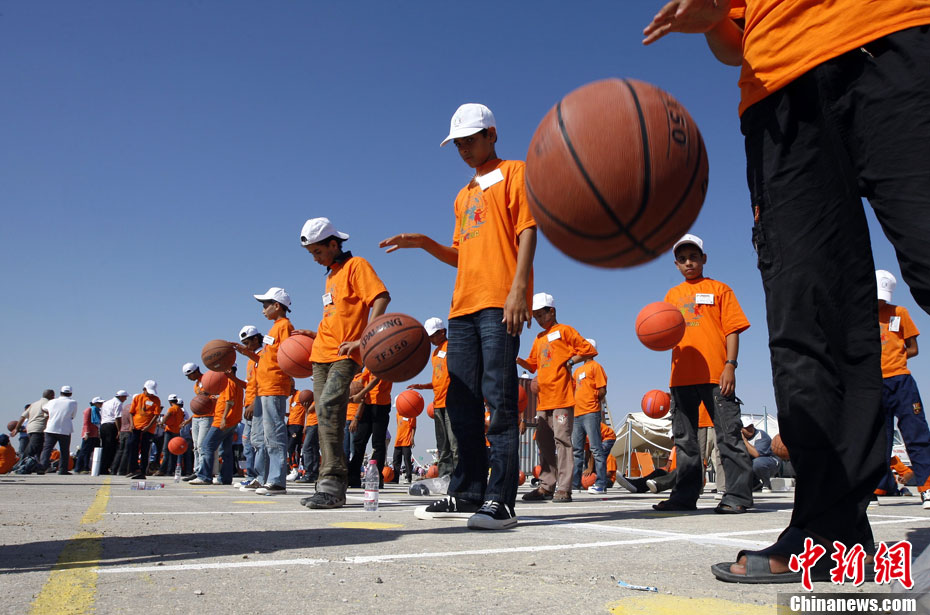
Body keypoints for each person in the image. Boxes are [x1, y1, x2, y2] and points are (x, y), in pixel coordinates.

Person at [644, 1, 930, 582]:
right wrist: (713, 21)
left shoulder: (717, 290)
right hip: (779, 90)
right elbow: (734, 43)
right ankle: (829, 531)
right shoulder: (677, 296)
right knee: (808, 320)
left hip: (894, 33)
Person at [381, 103, 537, 530]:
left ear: (492, 134)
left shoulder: (516, 173)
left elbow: (527, 230)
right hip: (462, 308)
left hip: (499, 301)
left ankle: (501, 501)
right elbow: (461, 255)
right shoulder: (463, 195)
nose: (464, 149)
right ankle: (467, 491)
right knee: (460, 401)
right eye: (458, 144)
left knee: (499, 400)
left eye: (470, 140)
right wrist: (425, 243)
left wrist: (519, 290)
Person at [292, 217, 390, 509]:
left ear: (334, 244)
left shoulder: (356, 266)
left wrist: (366, 338)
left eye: (318, 251)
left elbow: (381, 297)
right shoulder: (331, 275)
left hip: (346, 354)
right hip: (320, 354)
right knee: (325, 417)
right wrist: (315, 334)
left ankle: (334, 483)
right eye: (311, 253)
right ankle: (327, 484)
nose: (315, 258)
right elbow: (337, 316)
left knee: (328, 407)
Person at [654, 234, 752, 514]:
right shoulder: (672, 296)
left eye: (693, 257)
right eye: (682, 259)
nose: (689, 263)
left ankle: (737, 496)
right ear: (676, 264)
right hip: (680, 378)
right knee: (685, 441)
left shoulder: (720, 289)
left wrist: (730, 365)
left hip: (716, 375)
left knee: (728, 436)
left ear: (704, 259)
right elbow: (664, 332)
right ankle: (684, 496)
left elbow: (732, 329)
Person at [517, 292, 597, 504]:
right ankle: (546, 486)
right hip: (543, 401)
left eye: (540, 315)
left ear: (551, 311)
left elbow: (588, 349)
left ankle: (564, 488)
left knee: (562, 441)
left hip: (561, 398)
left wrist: (571, 362)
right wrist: (517, 360)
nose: (538, 319)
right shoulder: (539, 338)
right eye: (535, 316)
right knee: (543, 442)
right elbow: (532, 365)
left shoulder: (565, 331)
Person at [873, 270, 930, 509]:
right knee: (877, 438)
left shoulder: (899, 312)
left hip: (900, 380)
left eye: (882, 297)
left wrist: (895, 358)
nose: (879, 301)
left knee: (916, 433)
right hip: (873, 383)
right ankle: (874, 488)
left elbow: (913, 347)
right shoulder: (859, 316)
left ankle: (927, 487)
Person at [233, 287, 296, 496]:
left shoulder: (284, 326)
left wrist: (290, 379)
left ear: (276, 306)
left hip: (274, 387)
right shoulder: (273, 329)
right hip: (263, 389)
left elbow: (289, 356)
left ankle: (277, 481)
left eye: (265, 305)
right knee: (259, 438)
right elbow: (267, 359)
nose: (263, 310)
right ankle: (261, 478)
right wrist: (247, 353)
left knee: (274, 434)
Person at [407, 317, 457, 480]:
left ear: (442, 332)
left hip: (451, 402)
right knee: (442, 444)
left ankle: (459, 477)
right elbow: (439, 380)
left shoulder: (452, 347)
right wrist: (423, 386)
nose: (430, 340)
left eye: (432, 336)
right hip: (438, 403)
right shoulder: (435, 353)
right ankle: (445, 476)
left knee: (454, 442)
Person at [191, 366, 246, 486]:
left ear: (228, 370)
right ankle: (225, 478)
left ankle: (204, 476)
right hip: (232, 421)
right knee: (226, 451)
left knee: (206, 446)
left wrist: (223, 418)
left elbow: (229, 401)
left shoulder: (229, 382)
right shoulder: (235, 383)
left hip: (223, 421)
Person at [571, 339, 609, 495]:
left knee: (596, 449)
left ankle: (601, 483)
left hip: (591, 413)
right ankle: (575, 484)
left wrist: (592, 402)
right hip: (577, 414)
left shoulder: (596, 367)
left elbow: (602, 390)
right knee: (577, 451)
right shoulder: (577, 371)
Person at [348, 370, 393, 488]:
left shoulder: (385, 362)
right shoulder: (369, 364)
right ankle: (353, 476)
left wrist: (360, 394)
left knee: (378, 443)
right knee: (359, 441)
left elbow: (376, 380)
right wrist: (354, 391)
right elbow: (362, 381)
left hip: (381, 404)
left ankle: (376, 478)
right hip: (367, 404)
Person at [236, 325, 264, 487]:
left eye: (247, 343)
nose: (245, 347)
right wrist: (231, 377)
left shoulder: (261, 357)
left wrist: (254, 402)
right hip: (249, 404)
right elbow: (249, 385)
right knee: (247, 443)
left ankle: (258, 476)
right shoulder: (250, 361)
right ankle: (252, 476)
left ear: (256, 339)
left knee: (256, 442)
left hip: (257, 404)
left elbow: (264, 382)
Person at [182, 362, 217, 482]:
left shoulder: (208, 379)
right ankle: (197, 471)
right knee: (196, 446)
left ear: (196, 371)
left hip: (207, 417)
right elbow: (199, 404)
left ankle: (204, 472)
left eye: (189, 375)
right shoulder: (196, 385)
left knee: (202, 445)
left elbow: (217, 395)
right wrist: (189, 420)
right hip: (197, 417)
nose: (188, 378)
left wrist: (208, 395)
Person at [127, 380, 162, 480]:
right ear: (144, 389)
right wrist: (131, 424)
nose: (150, 394)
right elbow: (131, 412)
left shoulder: (156, 400)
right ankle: (133, 469)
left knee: (145, 450)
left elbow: (156, 415)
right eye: (149, 392)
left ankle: (142, 472)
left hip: (148, 430)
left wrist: (149, 426)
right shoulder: (138, 398)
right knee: (132, 447)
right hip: (136, 427)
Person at [40, 386, 78, 475]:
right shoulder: (73, 402)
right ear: (71, 394)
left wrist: (52, 413)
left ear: (60, 392)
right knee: (64, 450)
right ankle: (62, 469)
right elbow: (72, 416)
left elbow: (43, 408)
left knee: (47, 449)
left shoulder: (52, 401)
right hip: (65, 429)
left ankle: (42, 468)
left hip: (51, 428)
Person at [14, 389, 54, 462]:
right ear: (50, 395)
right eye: (53, 395)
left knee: (39, 450)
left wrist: (16, 428)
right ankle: (22, 464)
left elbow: (23, 416)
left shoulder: (34, 404)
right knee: (32, 449)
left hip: (30, 428)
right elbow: (48, 416)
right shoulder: (48, 403)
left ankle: (40, 466)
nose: (54, 397)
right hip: (39, 429)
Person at [741, 420, 778, 492]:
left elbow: (756, 454)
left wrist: (744, 440)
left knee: (757, 463)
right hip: (751, 463)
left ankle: (766, 484)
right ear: (741, 429)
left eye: (751, 426)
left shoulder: (761, 435)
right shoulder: (736, 437)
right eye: (747, 428)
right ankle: (756, 484)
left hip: (770, 462)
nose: (750, 429)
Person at [99, 390, 128, 474]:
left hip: (103, 425)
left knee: (105, 447)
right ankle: (105, 468)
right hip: (111, 426)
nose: (125, 399)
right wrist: (119, 430)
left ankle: (102, 467)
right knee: (111, 448)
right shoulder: (118, 403)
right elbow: (117, 417)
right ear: (121, 396)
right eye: (125, 397)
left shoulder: (106, 403)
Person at [156, 394, 185, 476]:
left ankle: (162, 470)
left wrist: (161, 423)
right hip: (177, 432)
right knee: (174, 452)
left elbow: (167, 416)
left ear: (170, 401)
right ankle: (170, 471)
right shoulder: (180, 410)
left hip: (169, 431)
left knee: (166, 451)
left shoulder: (172, 408)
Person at [74, 397, 103, 474]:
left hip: (95, 434)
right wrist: (86, 432)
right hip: (89, 434)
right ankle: (78, 468)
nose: (101, 404)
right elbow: (86, 422)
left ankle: (86, 467)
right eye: (99, 403)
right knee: (84, 451)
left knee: (90, 452)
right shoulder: (89, 410)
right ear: (95, 403)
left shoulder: (97, 411)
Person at [391, 408, 416, 484]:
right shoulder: (398, 414)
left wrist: (412, 438)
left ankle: (408, 478)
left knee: (407, 460)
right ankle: (395, 479)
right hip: (398, 441)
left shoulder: (412, 415)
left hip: (406, 441)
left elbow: (413, 427)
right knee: (396, 460)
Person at [298, 399, 320, 484]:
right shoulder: (314, 399)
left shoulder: (317, 398)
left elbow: (310, 409)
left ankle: (308, 473)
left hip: (315, 424)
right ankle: (314, 473)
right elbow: (308, 413)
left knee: (306, 448)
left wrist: (306, 407)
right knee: (314, 448)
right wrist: (306, 425)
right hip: (310, 424)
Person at [286, 388, 306, 480]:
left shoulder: (301, 395)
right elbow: (293, 412)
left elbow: (307, 409)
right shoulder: (291, 398)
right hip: (290, 424)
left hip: (298, 425)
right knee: (289, 448)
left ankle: (296, 469)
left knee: (294, 447)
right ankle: (292, 469)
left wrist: (305, 425)